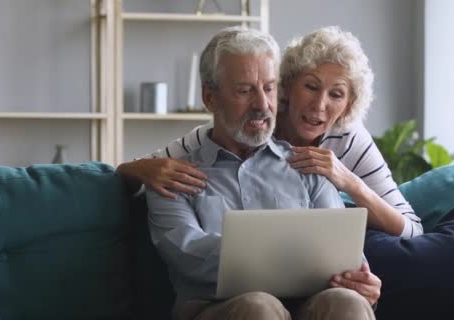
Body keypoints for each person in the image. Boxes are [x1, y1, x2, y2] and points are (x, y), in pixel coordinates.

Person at [139, 26, 380, 320]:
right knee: (258, 307)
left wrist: (359, 280)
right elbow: (188, 256)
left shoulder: (308, 166)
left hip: (306, 303)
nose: (262, 105)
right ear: (210, 97)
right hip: (215, 307)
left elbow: (344, 256)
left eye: (268, 88)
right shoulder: (172, 176)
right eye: (244, 91)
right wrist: (289, 258)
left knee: (348, 303)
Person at [118, 26, 423, 239]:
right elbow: (138, 169)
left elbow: (411, 228)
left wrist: (348, 182)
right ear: (288, 86)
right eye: (311, 86)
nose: (319, 105)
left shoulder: (348, 137)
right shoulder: (255, 122)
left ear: (349, 104)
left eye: (336, 94)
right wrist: (140, 168)